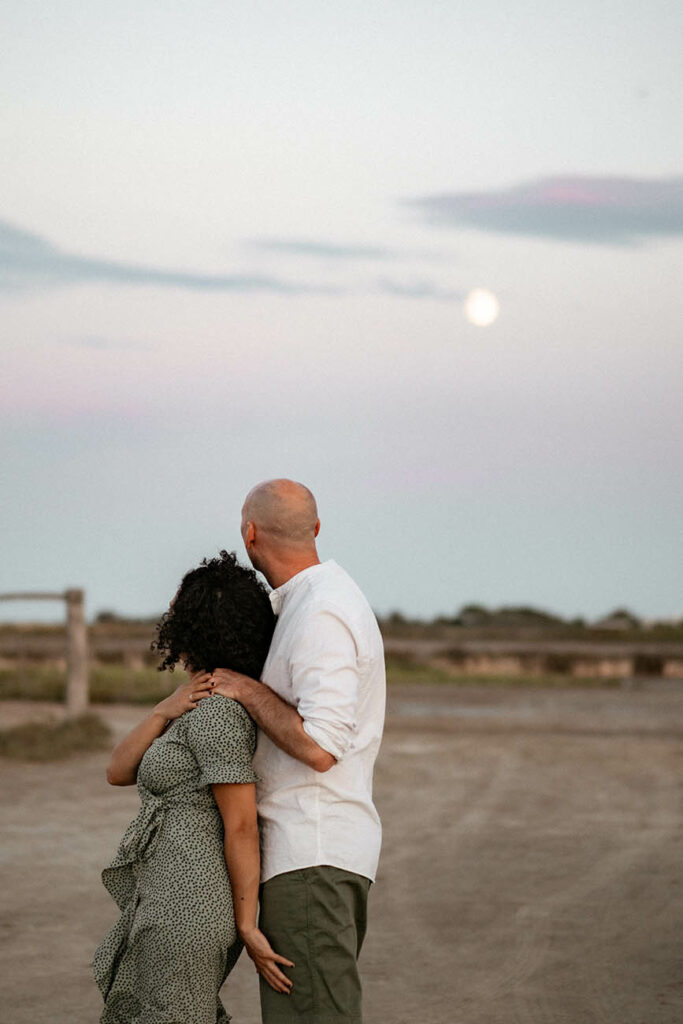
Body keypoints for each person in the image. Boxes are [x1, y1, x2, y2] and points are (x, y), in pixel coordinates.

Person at [211, 479, 386, 1024]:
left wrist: (246, 689)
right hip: (313, 855)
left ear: (249, 534)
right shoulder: (306, 603)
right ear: (316, 528)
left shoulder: (321, 611)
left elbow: (321, 746)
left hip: (312, 853)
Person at [93, 551, 294, 1024]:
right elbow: (117, 771)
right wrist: (163, 710)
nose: (169, 614)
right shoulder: (194, 704)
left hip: (189, 903)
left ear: (196, 625)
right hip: (166, 894)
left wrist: (247, 924)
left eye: (177, 608)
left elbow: (241, 824)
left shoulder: (217, 713)